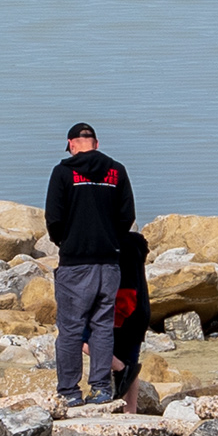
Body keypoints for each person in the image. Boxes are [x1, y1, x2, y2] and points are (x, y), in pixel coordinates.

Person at [44, 121, 134, 409]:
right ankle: (100, 388)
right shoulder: (116, 171)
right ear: (95, 143)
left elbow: (54, 219)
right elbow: (126, 216)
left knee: (70, 329)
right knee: (102, 327)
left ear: (72, 145)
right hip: (108, 262)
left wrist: (67, 243)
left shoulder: (63, 172)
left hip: (75, 262)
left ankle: (70, 391)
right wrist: (110, 240)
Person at [113, 224, 154, 408]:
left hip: (125, 312)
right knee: (131, 361)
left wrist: (117, 319)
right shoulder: (136, 244)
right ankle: (130, 411)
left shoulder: (121, 246)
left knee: (84, 340)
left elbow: (126, 290)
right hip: (141, 311)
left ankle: (121, 369)